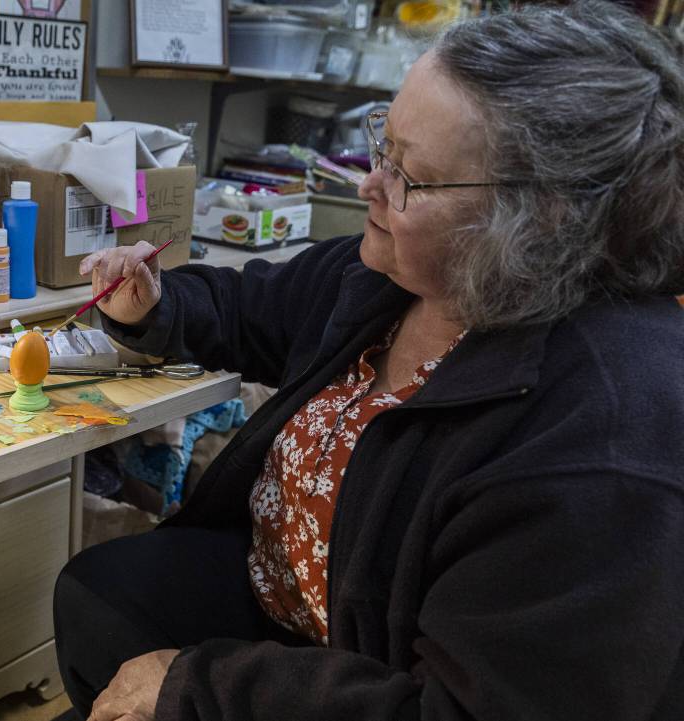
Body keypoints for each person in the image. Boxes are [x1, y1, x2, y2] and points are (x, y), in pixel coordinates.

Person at [52, 2, 684, 721]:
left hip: (388, 669)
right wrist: (154, 306)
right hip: (306, 599)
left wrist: (198, 689)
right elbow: (249, 308)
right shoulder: (402, 279)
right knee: (96, 595)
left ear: (541, 219)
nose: (368, 184)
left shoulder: (603, 446)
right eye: (382, 145)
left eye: (409, 175)